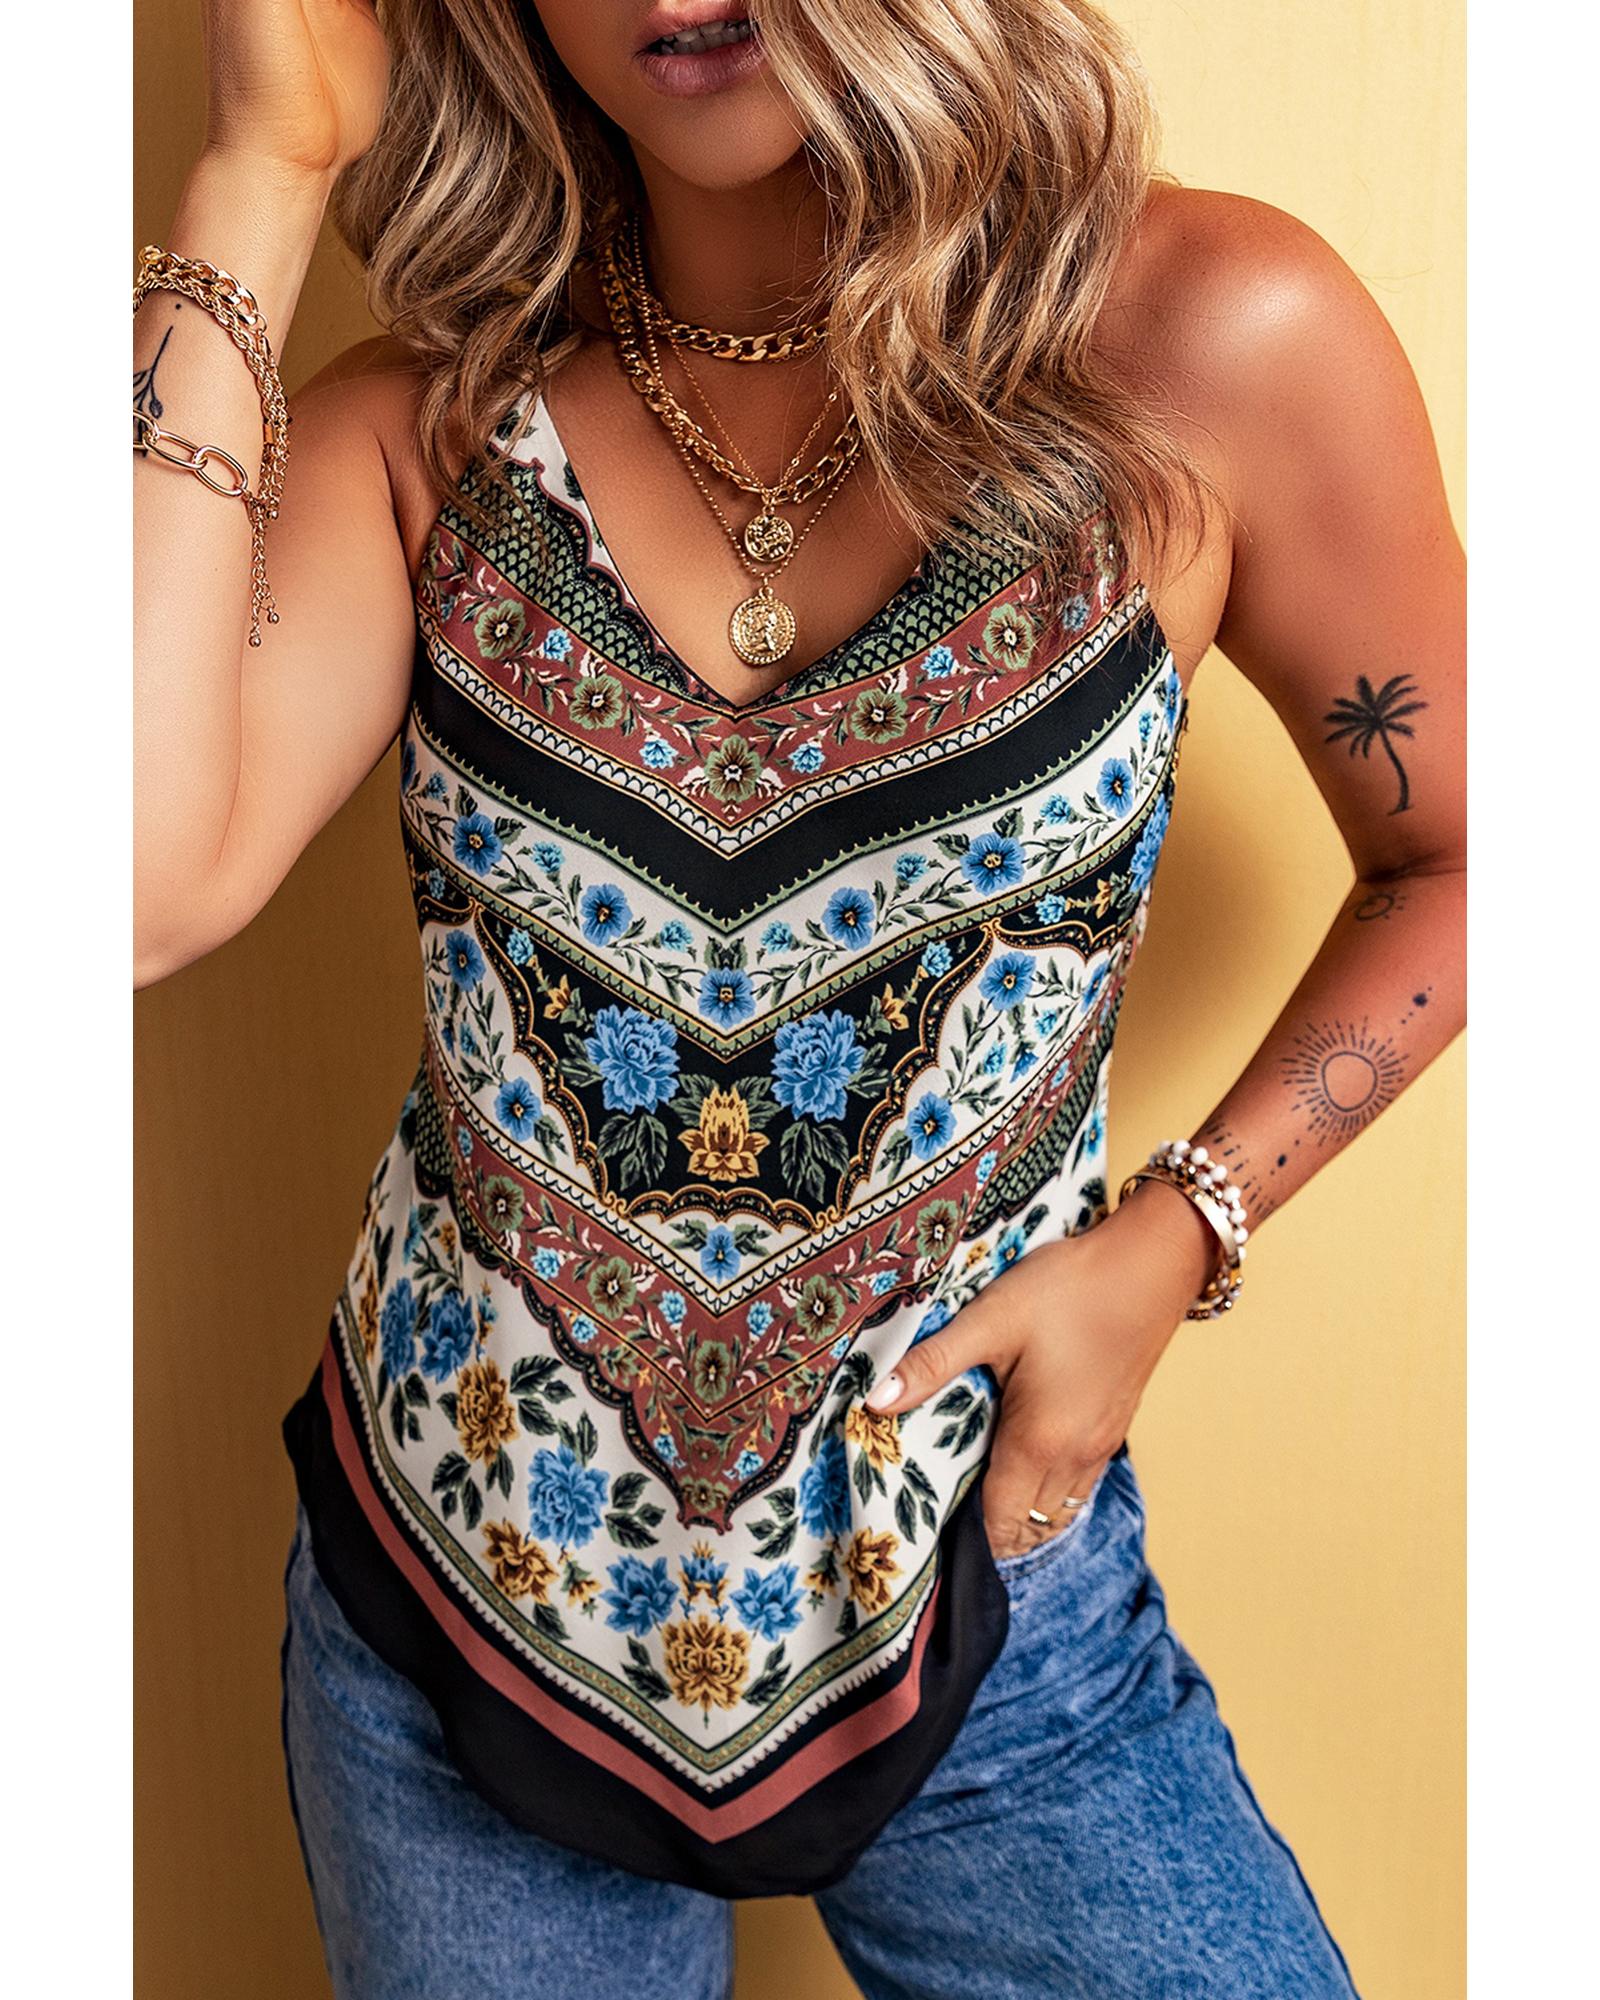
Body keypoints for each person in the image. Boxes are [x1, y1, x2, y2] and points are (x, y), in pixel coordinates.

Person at [133, 3, 1464, 1994]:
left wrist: (1185, 1222)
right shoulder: (422, 431)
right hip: (456, 1609)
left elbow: (1475, 848)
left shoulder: (1206, 343)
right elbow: (128, 890)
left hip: (991, 1599)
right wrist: (261, 167)